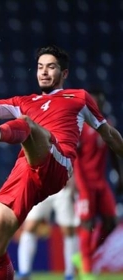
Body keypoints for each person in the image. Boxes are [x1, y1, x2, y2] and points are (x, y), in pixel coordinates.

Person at [0, 45, 123, 280]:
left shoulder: (78, 98)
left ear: (64, 73)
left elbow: (108, 134)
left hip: (58, 163)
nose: (44, 72)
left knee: (29, 125)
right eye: (40, 67)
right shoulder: (23, 101)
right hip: (24, 173)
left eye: (51, 67)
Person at [71, 89, 123, 280]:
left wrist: (120, 175)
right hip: (85, 182)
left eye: (99, 102)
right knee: (87, 223)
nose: (96, 105)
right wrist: (77, 183)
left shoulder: (106, 126)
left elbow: (114, 151)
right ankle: (86, 270)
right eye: (93, 102)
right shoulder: (79, 126)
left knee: (111, 222)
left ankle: (85, 257)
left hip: (101, 183)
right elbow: (74, 157)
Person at [17, 179, 78, 280]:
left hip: (63, 186)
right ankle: (24, 272)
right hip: (41, 185)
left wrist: (73, 180)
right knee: (30, 226)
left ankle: (70, 274)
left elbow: (76, 162)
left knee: (68, 230)